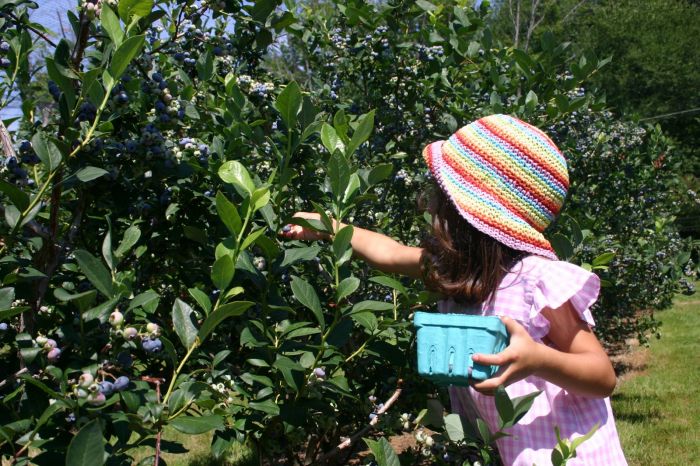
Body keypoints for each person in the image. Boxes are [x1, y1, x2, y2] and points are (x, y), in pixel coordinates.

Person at [281, 114, 627, 465]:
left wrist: (538, 359)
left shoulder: (536, 282)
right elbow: (388, 252)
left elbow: (602, 376)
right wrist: (331, 227)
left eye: (440, 197)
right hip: (504, 449)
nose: (430, 204)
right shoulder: (453, 271)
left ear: (466, 215)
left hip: (566, 453)